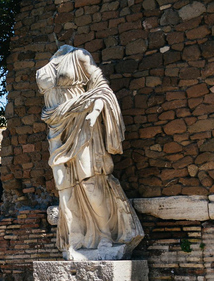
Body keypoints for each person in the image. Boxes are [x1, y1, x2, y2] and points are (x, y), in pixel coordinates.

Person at [36, 45, 144, 260]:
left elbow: (101, 87)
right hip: (56, 128)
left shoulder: (79, 56)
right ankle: (75, 239)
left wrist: (95, 112)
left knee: (90, 183)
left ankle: (105, 236)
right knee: (63, 186)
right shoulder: (45, 67)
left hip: (82, 123)